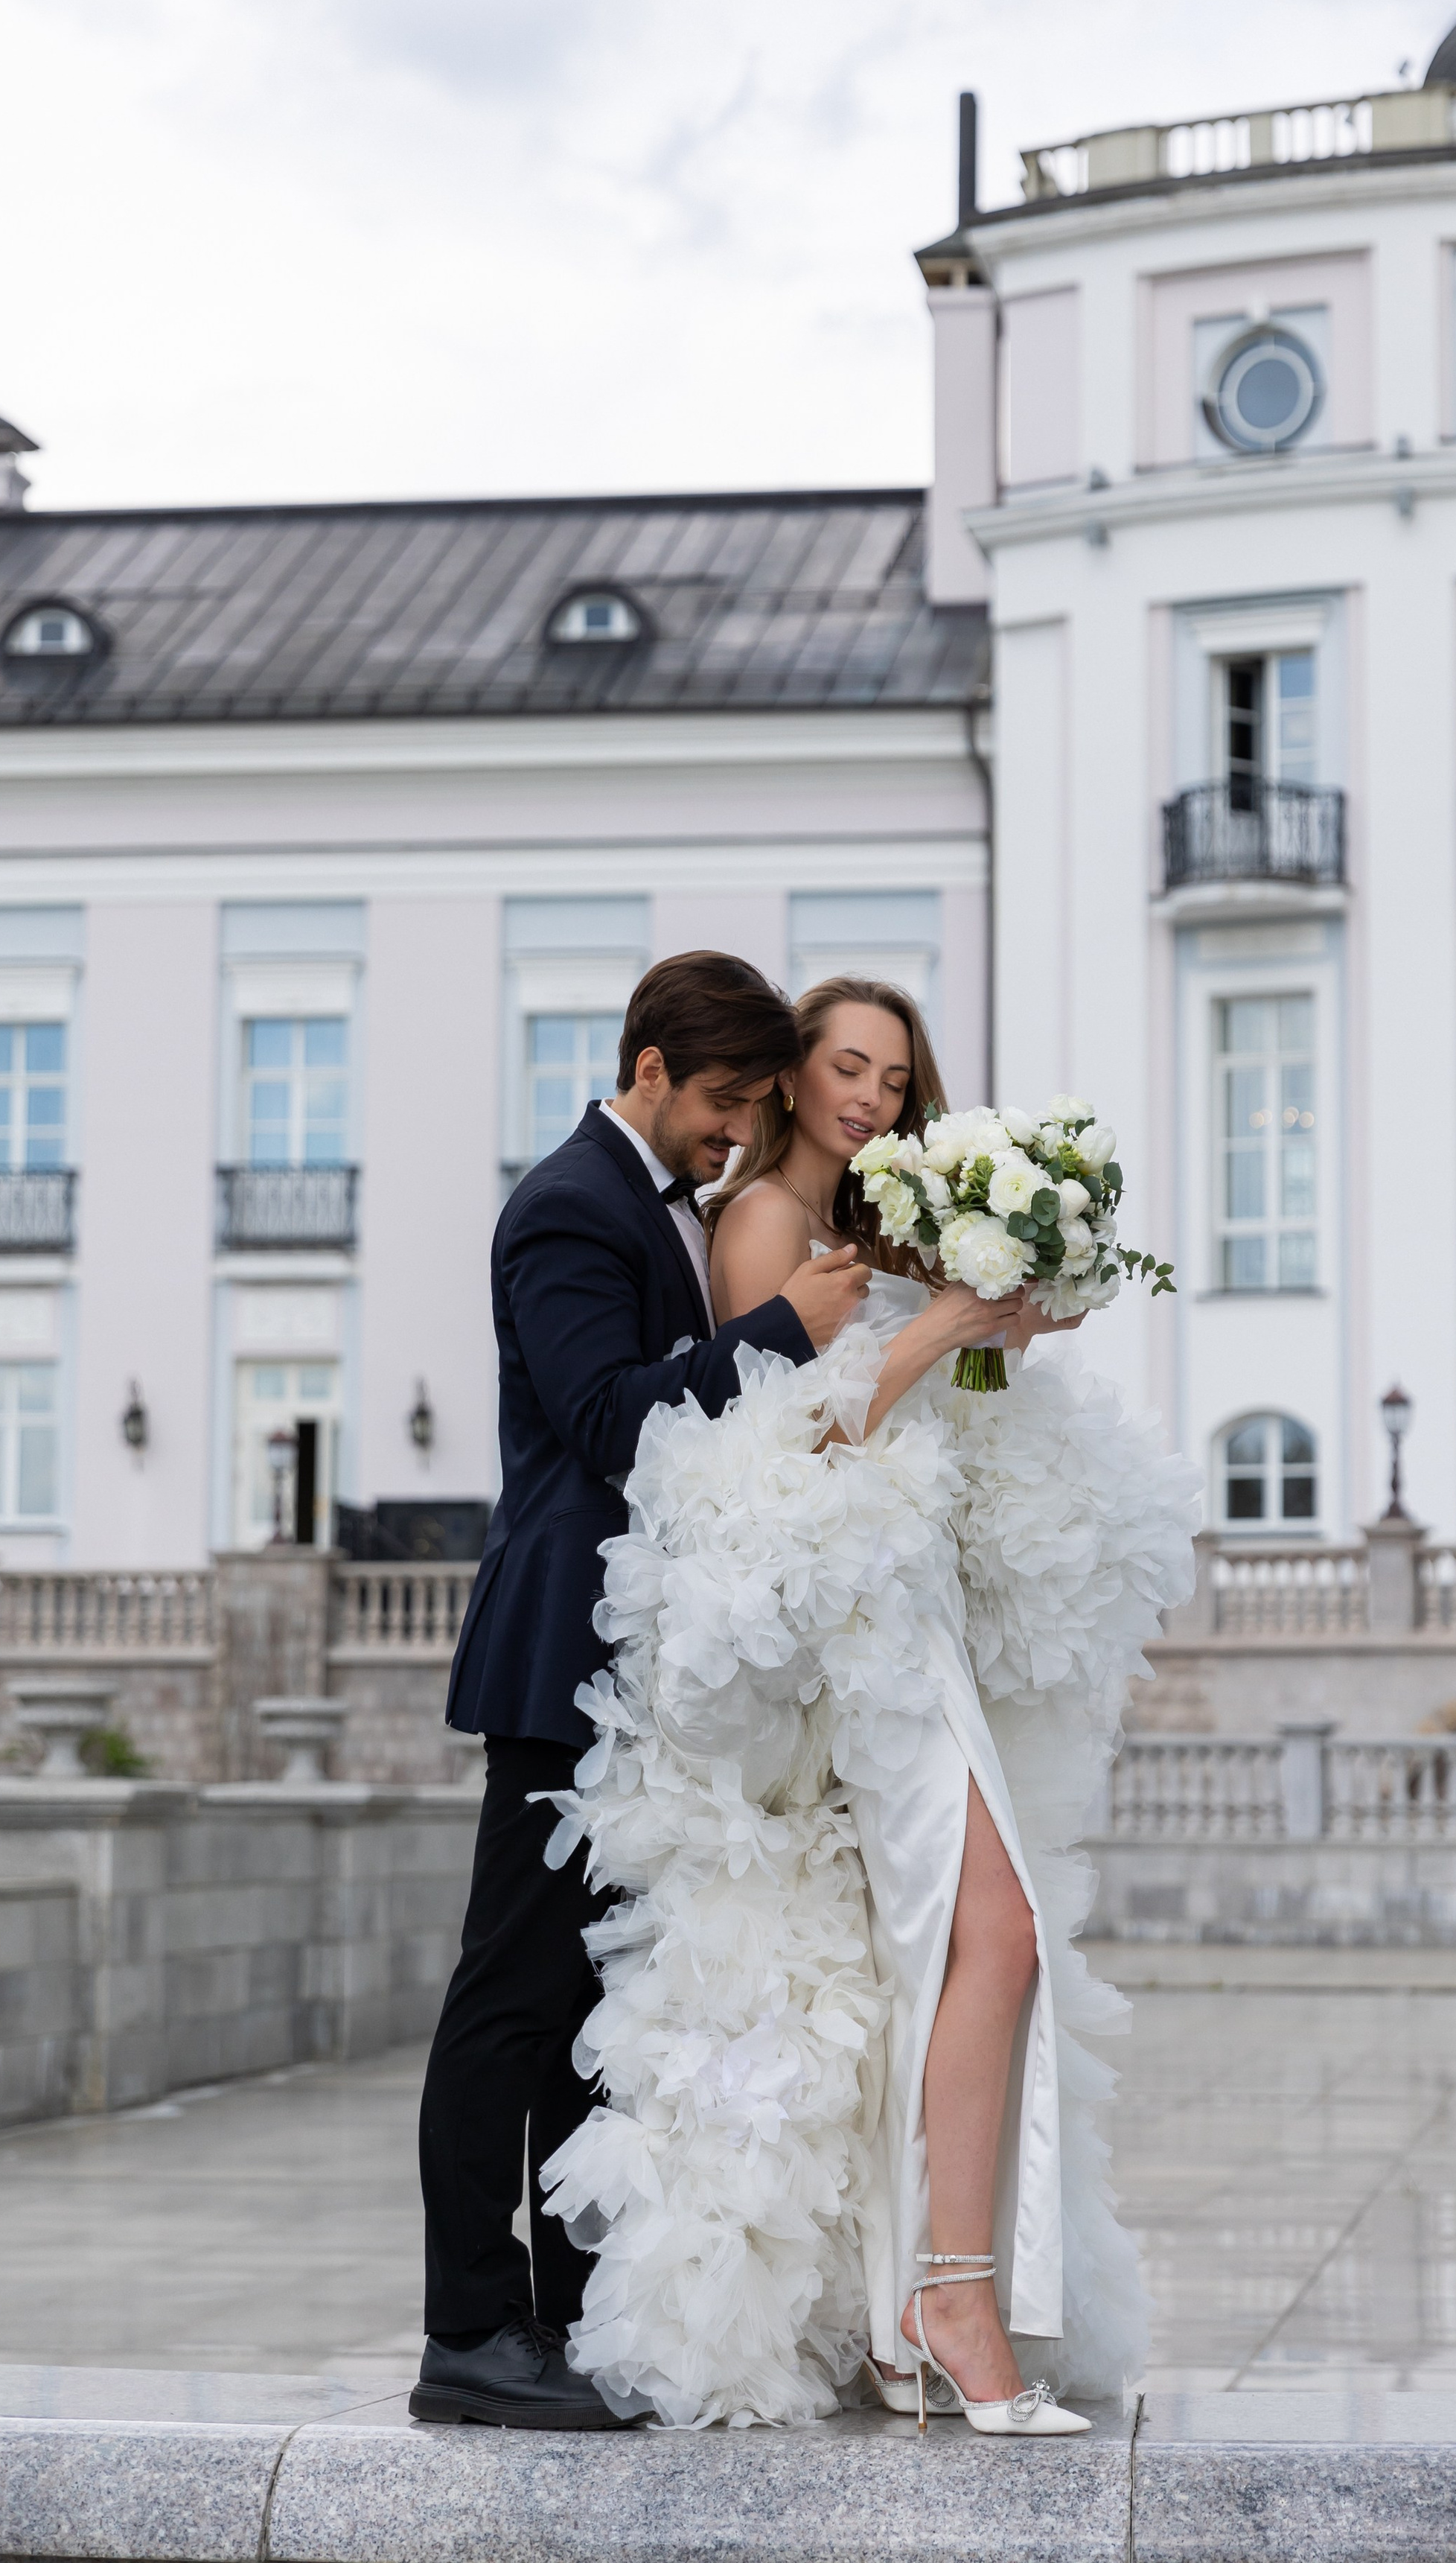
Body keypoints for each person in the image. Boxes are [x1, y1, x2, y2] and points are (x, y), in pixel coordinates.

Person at [539, 978, 1199, 2433]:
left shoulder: (867, 1223)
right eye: (846, 1068)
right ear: (789, 1077)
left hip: (921, 1608)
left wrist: (1000, 1331)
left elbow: (926, 1404)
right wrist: (935, 1324)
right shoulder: (765, 1223)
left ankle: (922, 2315)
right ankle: (948, 2301)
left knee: (946, 1953)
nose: (871, 1099)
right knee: (995, 1932)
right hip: (857, 1633)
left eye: (895, 1080)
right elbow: (789, 1438)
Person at [412, 952, 872, 2432]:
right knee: (506, 2001)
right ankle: (468, 2332)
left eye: (755, 1110)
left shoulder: (646, 1207)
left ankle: (550, 2316)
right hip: (555, 1659)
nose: (734, 1135)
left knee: (575, 2009)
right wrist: (784, 1331)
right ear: (652, 1066)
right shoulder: (565, 1205)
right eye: (722, 1103)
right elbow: (606, 1417)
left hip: (619, 1670)